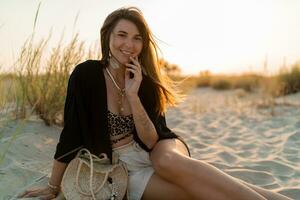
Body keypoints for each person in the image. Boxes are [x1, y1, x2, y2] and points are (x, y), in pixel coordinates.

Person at [19, 6, 291, 200]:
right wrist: (53, 186)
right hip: (122, 166)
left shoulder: (144, 79)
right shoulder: (86, 75)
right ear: (108, 37)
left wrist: (134, 95)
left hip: (161, 148)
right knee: (194, 190)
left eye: (137, 38)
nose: (129, 44)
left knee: (167, 164)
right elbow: (72, 133)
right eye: (122, 35)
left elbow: (151, 140)